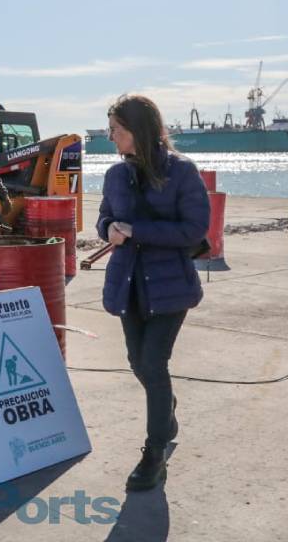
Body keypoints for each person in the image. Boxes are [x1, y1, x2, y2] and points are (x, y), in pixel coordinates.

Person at [97, 94, 210, 491]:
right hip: (129, 284)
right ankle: (167, 413)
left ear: (137, 130)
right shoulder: (114, 175)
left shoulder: (181, 171)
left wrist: (137, 231)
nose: (111, 137)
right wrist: (109, 228)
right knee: (138, 362)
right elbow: (104, 217)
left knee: (153, 363)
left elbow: (194, 229)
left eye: (116, 130)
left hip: (169, 287)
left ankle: (154, 453)